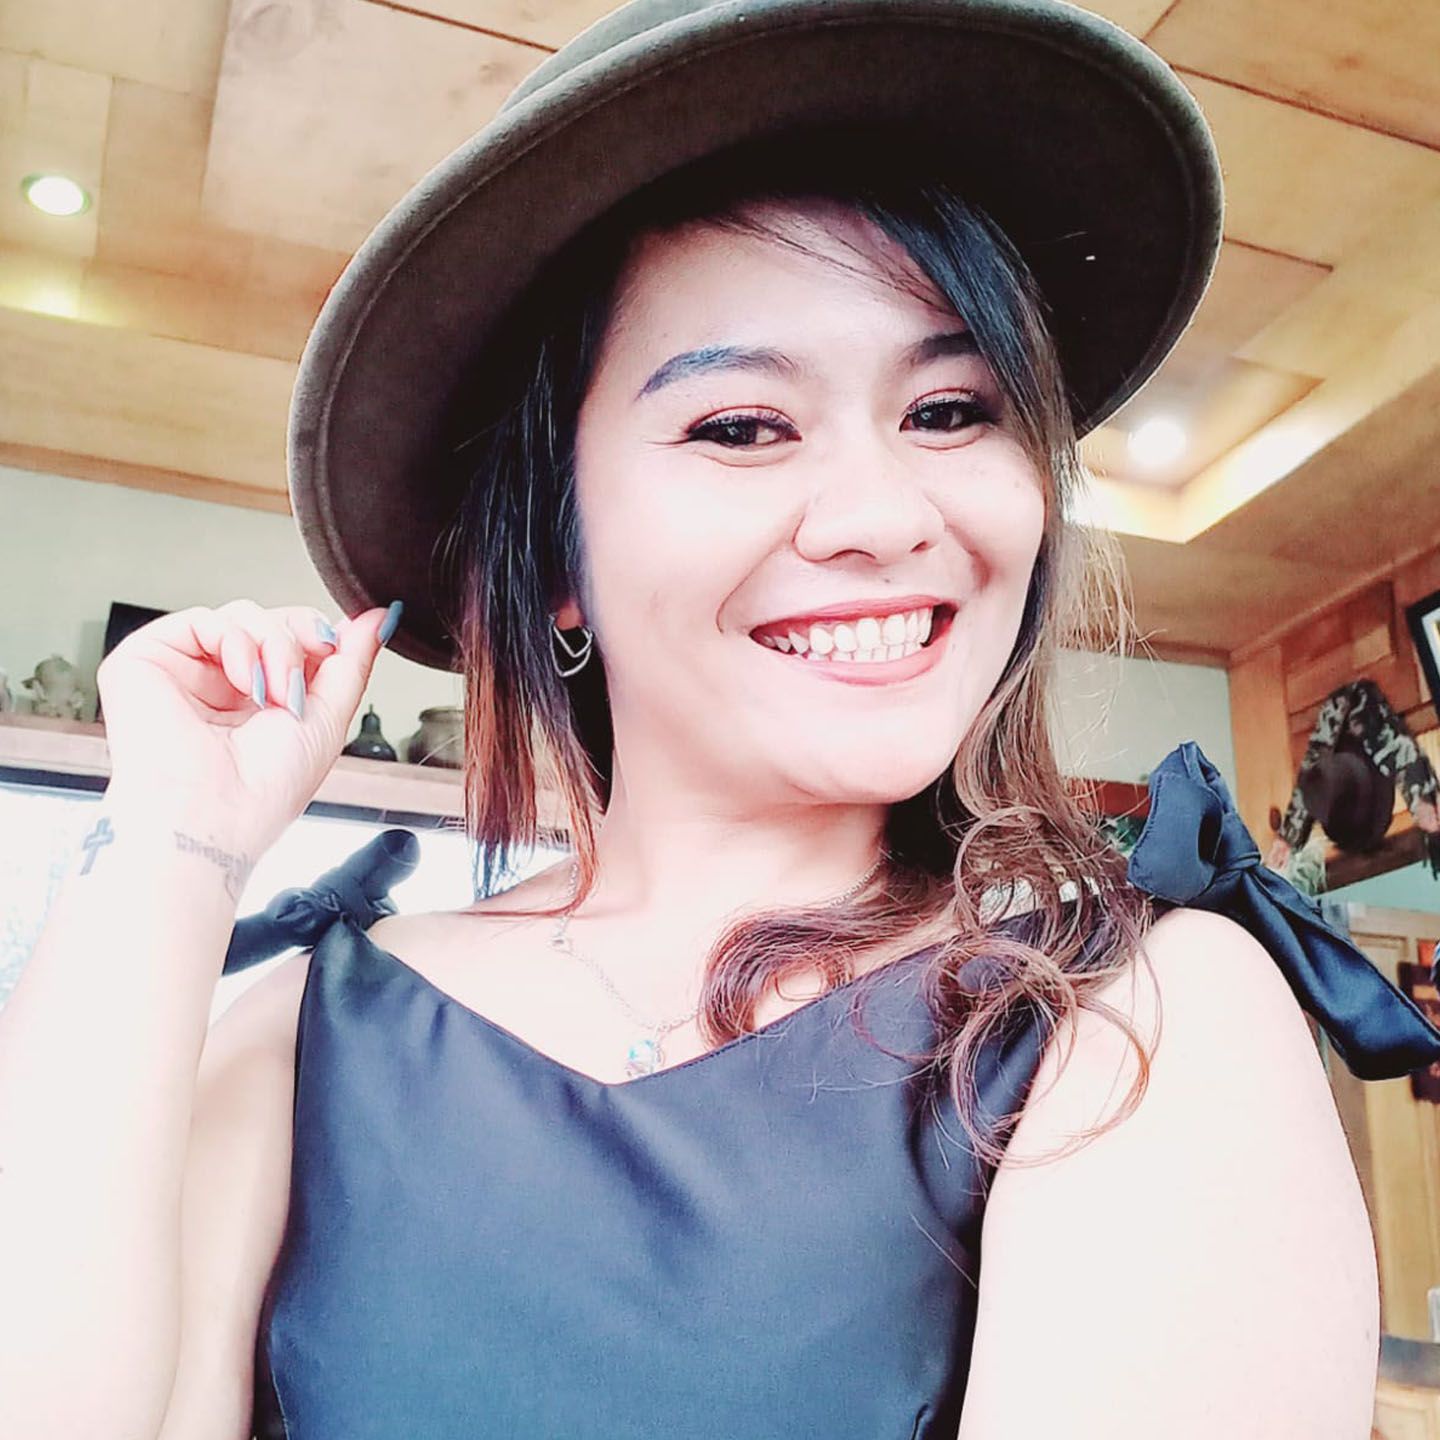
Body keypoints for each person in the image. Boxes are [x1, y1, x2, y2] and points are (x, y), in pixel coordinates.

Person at [4, 3, 1439, 1437]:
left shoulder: (1136, 1011)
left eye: (951, 410)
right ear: (556, 559)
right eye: (742, 426)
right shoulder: (314, 1031)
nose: (886, 515)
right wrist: (170, 851)